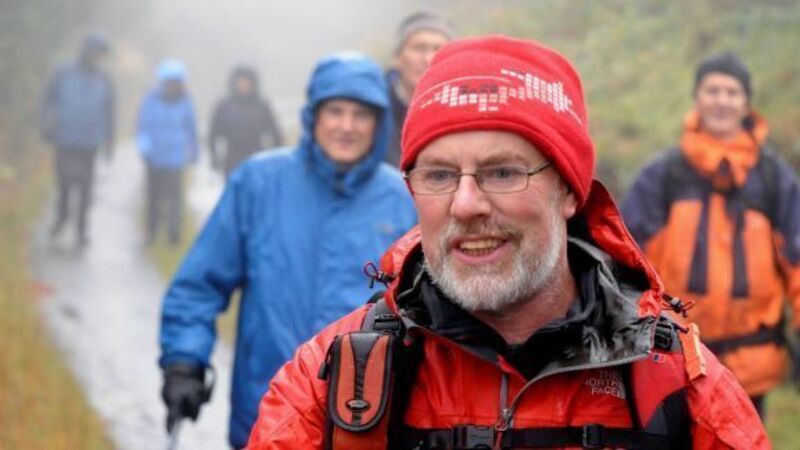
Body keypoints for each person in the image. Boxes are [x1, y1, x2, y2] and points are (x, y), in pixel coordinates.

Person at [246, 36, 767, 449]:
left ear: (569, 191)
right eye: (439, 174)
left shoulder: (679, 383)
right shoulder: (330, 379)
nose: (465, 204)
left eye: (502, 172)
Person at [158, 52, 417, 449]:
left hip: (367, 423)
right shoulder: (258, 184)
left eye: (361, 114)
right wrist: (184, 360)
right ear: (313, 116)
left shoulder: (404, 200)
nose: (347, 126)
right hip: (265, 415)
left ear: (379, 123)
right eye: (335, 111)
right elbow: (200, 284)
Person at [622, 52, 800, 418]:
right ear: (697, 99)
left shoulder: (774, 179)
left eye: (732, 92)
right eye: (712, 90)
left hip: (751, 370)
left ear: (746, 103)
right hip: (673, 363)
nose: (722, 100)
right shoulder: (663, 176)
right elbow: (625, 261)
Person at [41, 33, 115, 246]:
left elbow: (110, 111)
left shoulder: (104, 79)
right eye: (95, 52)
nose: (98, 57)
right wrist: (47, 125)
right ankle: (62, 217)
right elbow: (49, 100)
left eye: (101, 54)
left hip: (90, 143)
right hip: (64, 138)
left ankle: (82, 229)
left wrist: (109, 140)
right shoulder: (63, 72)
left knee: (86, 188)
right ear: (85, 50)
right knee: (63, 182)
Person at [136, 59, 198, 246]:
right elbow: (143, 125)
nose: (172, 85)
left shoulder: (186, 102)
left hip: (175, 159)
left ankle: (174, 235)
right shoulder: (151, 100)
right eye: (168, 81)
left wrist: (194, 152)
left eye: (175, 81)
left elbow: (191, 130)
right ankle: (151, 232)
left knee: (175, 199)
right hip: (153, 157)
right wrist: (144, 145)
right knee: (153, 197)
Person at [384, 11, 454, 166]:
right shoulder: (374, 108)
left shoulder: (462, 111)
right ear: (397, 58)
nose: (428, 59)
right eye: (419, 48)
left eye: (438, 49)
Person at [208, 65, 284, 177]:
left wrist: (276, 158)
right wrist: (214, 158)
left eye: (247, 81)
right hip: (232, 159)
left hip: (257, 157)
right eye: (240, 81)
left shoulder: (261, 105)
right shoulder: (224, 106)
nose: (243, 85)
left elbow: (275, 133)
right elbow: (213, 134)